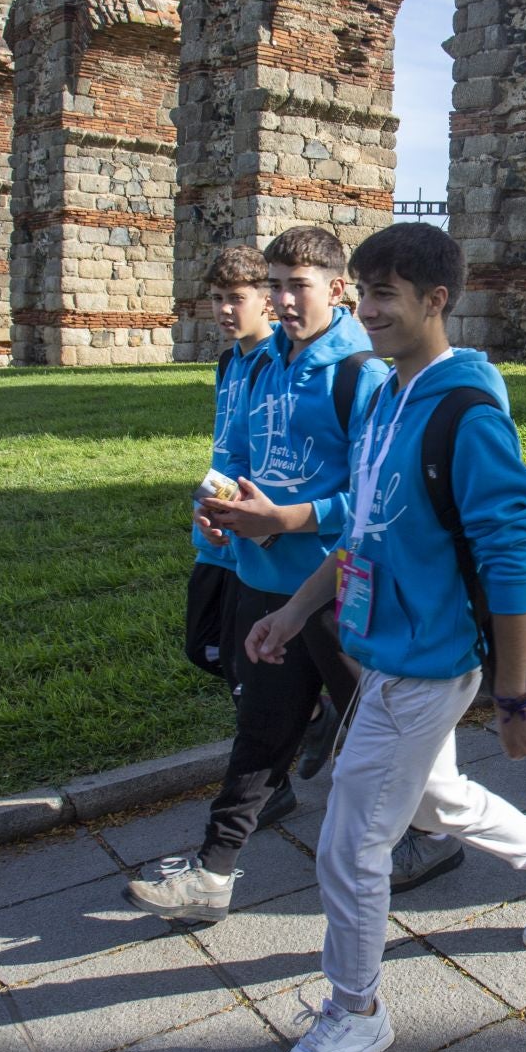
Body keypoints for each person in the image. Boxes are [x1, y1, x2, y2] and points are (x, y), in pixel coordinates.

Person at [245, 224, 526, 1052]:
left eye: (385, 296)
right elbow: (366, 524)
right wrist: (298, 611)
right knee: (436, 795)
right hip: (383, 643)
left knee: (348, 842)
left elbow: (512, 553)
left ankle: (356, 1011)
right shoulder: (384, 396)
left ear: (434, 302)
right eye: (362, 292)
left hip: (429, 658)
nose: (366, 309)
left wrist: (516, 694)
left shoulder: (465, 410)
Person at [126, 227, 387, 923]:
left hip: (334, 589)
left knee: (377, 729)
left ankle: (432, 833)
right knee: (261, 728)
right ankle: (214, 873)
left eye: (297, 285)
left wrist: (286, 519)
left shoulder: (361, 374)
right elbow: (233, 456)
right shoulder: (259, 365)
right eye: (275, 284)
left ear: (336, 289)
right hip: (257, 577)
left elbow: (373, 503)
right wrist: (211, 510)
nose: (282, 299)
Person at [178, 246, 295, 828]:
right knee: (204, 646)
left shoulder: (280, 359)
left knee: (245, 667)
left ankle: (272, 779)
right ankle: (308, 719)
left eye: (237, 298)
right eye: (217, 298)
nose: (225, 309)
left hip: (254, 533)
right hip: (218, 527)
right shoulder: (229, 362)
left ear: (267, 301)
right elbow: (227, 444)